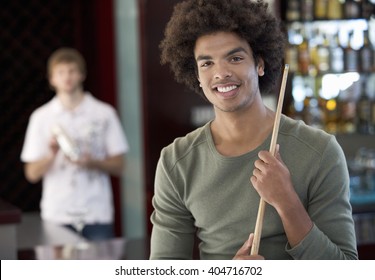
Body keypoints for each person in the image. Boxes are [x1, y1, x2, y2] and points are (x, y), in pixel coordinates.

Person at [150, 0, 358, 260]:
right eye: (207, 64)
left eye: (235, 58)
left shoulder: (319, 150)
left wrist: (287, 202)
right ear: (196, 75)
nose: (221, 73)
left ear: (259, 64)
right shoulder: (176, 162)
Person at [21, 47, 129, 241]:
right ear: (52, 78)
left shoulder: (104, 113)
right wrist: (51, 155)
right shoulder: (41, 117)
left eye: (71, 71)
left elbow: (120, 166)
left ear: (81, 74)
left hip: (96, 212)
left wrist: (92, 162)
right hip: (57, 214)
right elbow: (31, 174)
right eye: (60, 72)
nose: (67, 77)